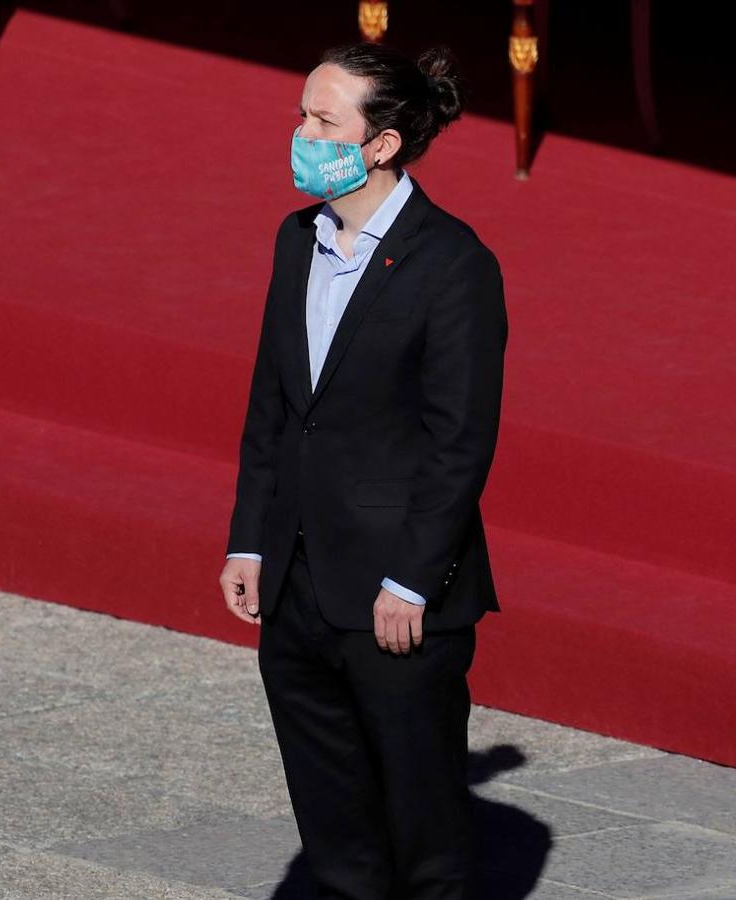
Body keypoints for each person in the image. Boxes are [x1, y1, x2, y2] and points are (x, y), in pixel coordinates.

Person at [217, 42, 507, 900]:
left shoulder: (452, 264)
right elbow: (273, 405)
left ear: (378, 144)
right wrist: (248, 543)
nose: (300, 132)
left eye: (322, 120)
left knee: (424, 835)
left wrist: (411, 583)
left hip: (394, 599)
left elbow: (461, 443)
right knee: (332, 828)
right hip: (297, 582)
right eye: (303, 113)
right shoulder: (294, 241)